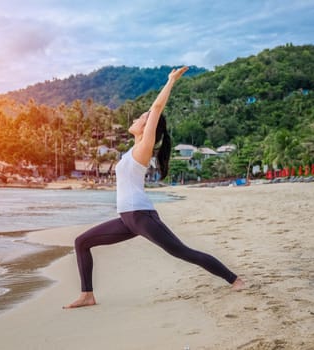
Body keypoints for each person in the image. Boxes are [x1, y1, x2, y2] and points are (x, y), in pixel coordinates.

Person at [64, 66, 244, 309]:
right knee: (82, 242)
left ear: (149, 128)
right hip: (127, 219)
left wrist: (170, 81)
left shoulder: (143, 149)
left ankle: (234, 279)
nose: (138, 118)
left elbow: (157, 109)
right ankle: (87, 295)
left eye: (142, 118)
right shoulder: (132, 151)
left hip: (142, 216)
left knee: (183, 252)